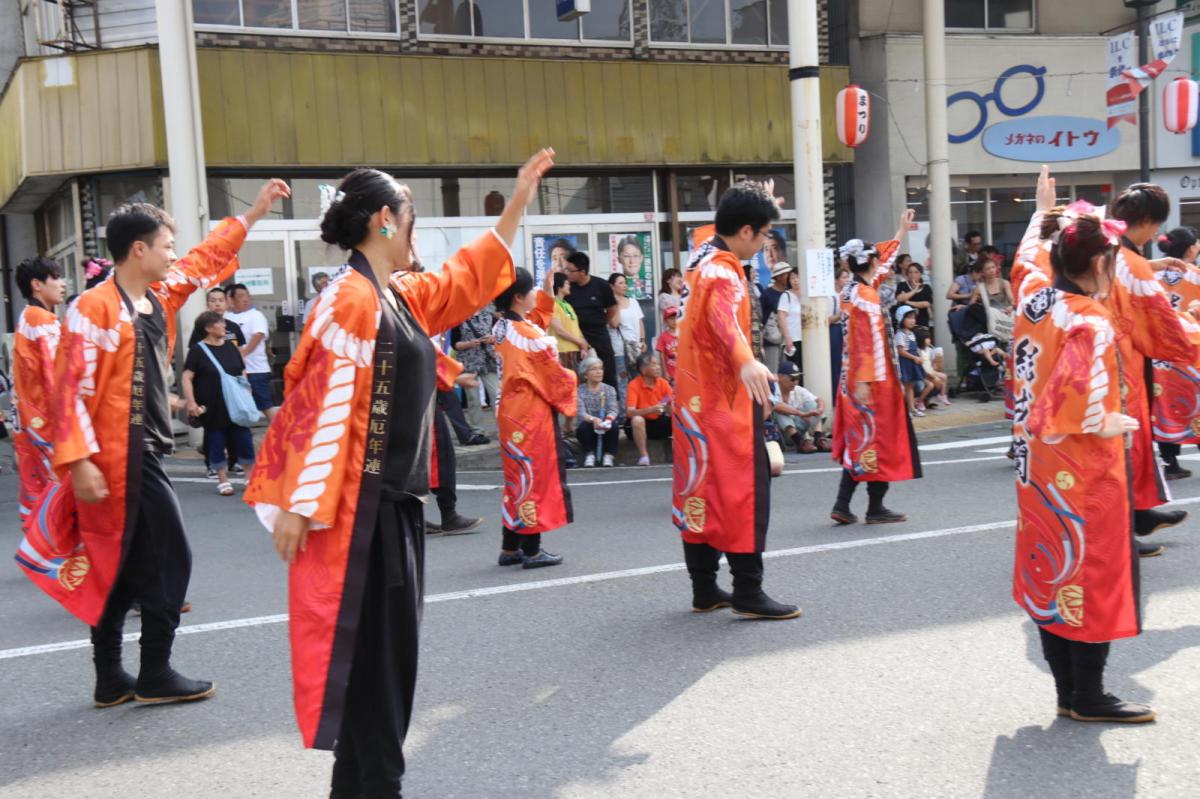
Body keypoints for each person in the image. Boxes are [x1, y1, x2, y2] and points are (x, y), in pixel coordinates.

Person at [245, 151, 552, 797]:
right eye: (411, 219)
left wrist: (519, 200)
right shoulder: (350, 300)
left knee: (375, 675)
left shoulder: (395, 293)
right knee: (378, 677)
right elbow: (316, 404)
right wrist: (297, 503)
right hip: (363, 516)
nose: (417, 233)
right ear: (384, 220)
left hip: (392, 507)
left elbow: (465, 277)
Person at [30, 179, 288, 711]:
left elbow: (204, 258)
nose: (174, 254)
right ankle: (154, 671)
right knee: (170, 555)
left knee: (119, 563)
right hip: (114, 453)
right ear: (138, 249)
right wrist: (79, 461)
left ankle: (111, 679)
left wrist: (255, 213)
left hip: (138, 445)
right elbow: (67, 388)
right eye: (166, 245)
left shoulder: (158, 295)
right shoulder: (92, 308)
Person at [1010, 205, 1155, 724]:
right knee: (1092, 572)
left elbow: (1024, 261)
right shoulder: (1089, 319)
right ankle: (1089, 694)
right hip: (1084, 468)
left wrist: (1038, 211)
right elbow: (1073, 398)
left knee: (1051, 571)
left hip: (1038, 467)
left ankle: (1068, 692)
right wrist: (1106, 420)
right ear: (1098, 264)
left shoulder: (1034, 298)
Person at [673, 181, 800, 621]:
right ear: (745, 231)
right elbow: (723, 319)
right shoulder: (723, 272)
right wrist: (746, 361)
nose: (765, 244)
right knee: (744, 492)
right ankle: (748, 588)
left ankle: (705, 588)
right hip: (722, 401)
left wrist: (757, 201)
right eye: (763, 234)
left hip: (693, 400)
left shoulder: (701, 256)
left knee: (700, 490)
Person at [1107, 183, 1200, 544]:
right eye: (1157, 224)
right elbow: (1165, 326)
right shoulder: (1131, 263)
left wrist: (1150, 265)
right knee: (1124, 444)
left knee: (1133, 440)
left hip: (1112, 357)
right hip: (1122, 361)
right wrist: (1193, 322)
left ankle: (1139, 512)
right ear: (1146, 220)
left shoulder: (1112, 251)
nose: (1157, 233)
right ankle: (1123, 530)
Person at [831, 211, 923, 526]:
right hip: (871, 381)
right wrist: (867, 381)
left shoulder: (851, 291)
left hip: (852, 378)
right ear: (870, 261)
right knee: (879, 440)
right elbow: (867, 343)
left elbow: (881, 266)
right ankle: (873, 507)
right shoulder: (867, 298)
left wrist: (900, 230)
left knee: (860, 441)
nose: (882, 263)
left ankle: (844, 504)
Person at [493, 265, 578, 569]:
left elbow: (535, 322)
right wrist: (573, 381)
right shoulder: (527, 335)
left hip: (509, 412)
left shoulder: (503, 327)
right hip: (529, 414)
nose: (534, 294)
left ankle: (510, 546)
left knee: (517, 477)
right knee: (533, 477)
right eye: (531, 291)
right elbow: (554, 375)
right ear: (518, 297)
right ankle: (531, 549)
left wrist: (546, 291)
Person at [11, 256, 65, 521]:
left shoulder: (26, 318)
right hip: (48, 424)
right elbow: (58, 376)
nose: (62, 283)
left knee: (42, 501)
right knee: (60, 504)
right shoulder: (42, 320)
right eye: (55, 277)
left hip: (31, 423)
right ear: (37, 284)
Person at [181, 310, 256, 496]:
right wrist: (191, 403)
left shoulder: (231, 347)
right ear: (208, 328)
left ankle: (250, 477)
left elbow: (242, 371)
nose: (224, 326)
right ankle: (223, 479)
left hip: (237, 403)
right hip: (212, 404)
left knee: (244, 438)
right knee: (216, 440)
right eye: (220, 323)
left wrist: (247, 393)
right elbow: (187, 377)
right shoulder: (197, 350)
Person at [1152, 226, 1200, 480]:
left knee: (1165, 407)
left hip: (1159, 353)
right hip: (1192, 351)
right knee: (1196, 405)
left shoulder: (1150, 275)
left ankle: (1170, 463)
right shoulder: (1196, 276)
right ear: (1191, 249)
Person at [187, 286, 247, 478]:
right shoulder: (201, 329)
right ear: (207, 304)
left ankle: (234, 461)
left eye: (220, 300)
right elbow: (193, 360)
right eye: (213, 300)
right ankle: (212, 464)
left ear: (227, 303)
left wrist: (245, 383)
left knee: (235, 423)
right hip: (209, 388)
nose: (217, 304)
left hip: (233, 387)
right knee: (213, 427)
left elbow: (241, 354)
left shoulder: (233, 327)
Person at [428, 352, 485, 536]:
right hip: (418, 401)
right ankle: (448, 514)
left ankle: (412, 517)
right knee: (440, 457)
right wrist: (454, 376)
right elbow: (422, 354)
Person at [564, 250, 619, 389]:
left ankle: (612, 400)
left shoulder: (601, 286)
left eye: (570, 270)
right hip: (577, 337)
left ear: (582, 271)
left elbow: (612, 308)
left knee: (607, 370)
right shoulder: (567, 288)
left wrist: (602, 322)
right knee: (580, 373)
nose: (567, 273)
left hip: (599, 334)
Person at [226, 282, 277, 421]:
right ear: (231, 299)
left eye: (247, 295)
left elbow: (258, 335)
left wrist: (243, 353)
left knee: (265, 404)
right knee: (239, 406)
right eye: (240, 296)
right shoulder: (227, 317)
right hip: (235, 371)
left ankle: (279, 430)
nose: (245, 299)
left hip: (255, 370)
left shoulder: (256, 315)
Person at [451, 305, 500, 432]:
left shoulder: (489, 314)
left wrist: (492, 339)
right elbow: (455, 344)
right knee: (473, 399)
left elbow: (500, 337)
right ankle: (478, 430)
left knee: (496, 395)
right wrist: (469, 344)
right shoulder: (458, 317)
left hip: (488, 361)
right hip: (469, 363)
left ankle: (503, 428)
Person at [626, 352, 672, 466]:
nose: (658, 367)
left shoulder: (664, 383)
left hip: (659, 423)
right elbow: (630, 412)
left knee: (679, 417)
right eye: (654, 364)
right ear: (643, 370)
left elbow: (670, 404)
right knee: (637, 419)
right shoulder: (633, 385)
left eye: (658, 364)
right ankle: (644, 456)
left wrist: (668, 408)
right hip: (640, 425)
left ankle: (680, 452)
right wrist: (650, 410)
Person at [607, 272, 645, 411]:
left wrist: (642, 340)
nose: (624, 286)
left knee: (637, 379)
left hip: (635, 347)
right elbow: (614, 324)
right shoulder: (609, 304)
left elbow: (640, 322)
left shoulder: (633, 302)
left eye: (625, 283)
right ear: (612, 286)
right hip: (619, 349)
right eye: (620, 283)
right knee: (622, 381)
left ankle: (639, 410)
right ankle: (625, 414)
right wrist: (615, 305)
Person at [773, 361, 829, 453]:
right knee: (780, 410)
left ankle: (819, 439)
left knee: (812, 405)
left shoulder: (798, 390)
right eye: (792, 378)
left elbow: (819, 400)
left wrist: (819, 409)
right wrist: (801, 413)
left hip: (799, 430)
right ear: (780, 377)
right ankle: (799, 442)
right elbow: (776, 406)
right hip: (780, 434)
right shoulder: (772, 388)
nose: (795, 382)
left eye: (797, 378)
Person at [575, 356, 619, 467]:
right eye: (594, 369)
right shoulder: (579, 391)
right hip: (589, 424)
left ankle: (609, 455)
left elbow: (613, 410)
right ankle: (589, 454)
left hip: (605, 423)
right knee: (582, 428)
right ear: (585, 374)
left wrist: (607, 420)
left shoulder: (609, 389)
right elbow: (581, 413)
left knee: (614, 426)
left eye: (600, 368)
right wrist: (593, 419)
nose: (599, 372)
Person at [894, 305, 933, 416]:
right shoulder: (900, 334)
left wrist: (919, 356)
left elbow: (915, 348)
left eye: (913, 318)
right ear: (901, 319)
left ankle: (911, 409)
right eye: (909, 318)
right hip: (906, 363)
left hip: (913, 362)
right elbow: (901, 351)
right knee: (906, 387)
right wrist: (915, 357)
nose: (912, 320)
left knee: (910, 386)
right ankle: (907, 409)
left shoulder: (911, 334)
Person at [549, 272, 589, 372]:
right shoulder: (552, 304)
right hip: (562, 351)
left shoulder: (567, 305)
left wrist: (583, 345)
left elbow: (576, 327)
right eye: (567, 283)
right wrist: (580, 342)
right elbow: (560, 330)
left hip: (574, 350)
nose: (569, 286)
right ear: (559, 286)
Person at [760, 262, 792, 370]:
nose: (789, 278)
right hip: (771, 340)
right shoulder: (767, 294)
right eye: (787, 274)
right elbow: (760, 317)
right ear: (778, 277)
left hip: (789, 339)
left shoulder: (789, 293)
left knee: (788, 372)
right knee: (772, 370)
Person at [775, 266, 804, 373]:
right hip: (793, 339)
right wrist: (787, 337)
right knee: (796, 370)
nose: (795, 280)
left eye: (798, 277)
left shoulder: (807, 295)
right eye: (793, 278)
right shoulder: (786, 295)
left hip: (807, 339)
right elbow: (781, 317)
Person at [916, 327, 950, 407]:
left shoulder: (930, 350)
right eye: (927, 339)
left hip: (930, 370)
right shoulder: (918, 351)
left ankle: (942, 395)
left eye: (929, 338)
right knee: (936, 381)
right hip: (924, 372)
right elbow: (921, 365)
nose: (929, 340)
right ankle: (921, 400)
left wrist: (938, 359)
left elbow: (934, 365)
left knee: (944, 376)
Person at [829, 267, 849, 393]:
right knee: (836, 363)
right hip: (836, 330)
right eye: (843, 277)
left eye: (847, 277)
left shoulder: (848, 295)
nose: (846, 280)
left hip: (847, 329)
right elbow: (827, 320)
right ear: (836, 280)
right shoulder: (831, 296)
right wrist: (841, 313)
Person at [895, 262, 934, 329]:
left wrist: (907, 301)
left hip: (922, 322)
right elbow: (899, 298)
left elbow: (926, 304)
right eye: (910, 272)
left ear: (920, 274)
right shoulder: (902, 285)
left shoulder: (926, 287)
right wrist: (914, 290)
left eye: (916, 272)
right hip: (905, 323)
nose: (913, 274)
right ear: (907, 274)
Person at [655, 305, 680, 384]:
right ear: (666, 321)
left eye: (676, 318)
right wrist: (665, 371)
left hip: (683, 373)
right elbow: (661, 356)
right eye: (671, 319)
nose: (674, 321)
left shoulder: (684, 333)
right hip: (671, 374)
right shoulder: (663, 337)